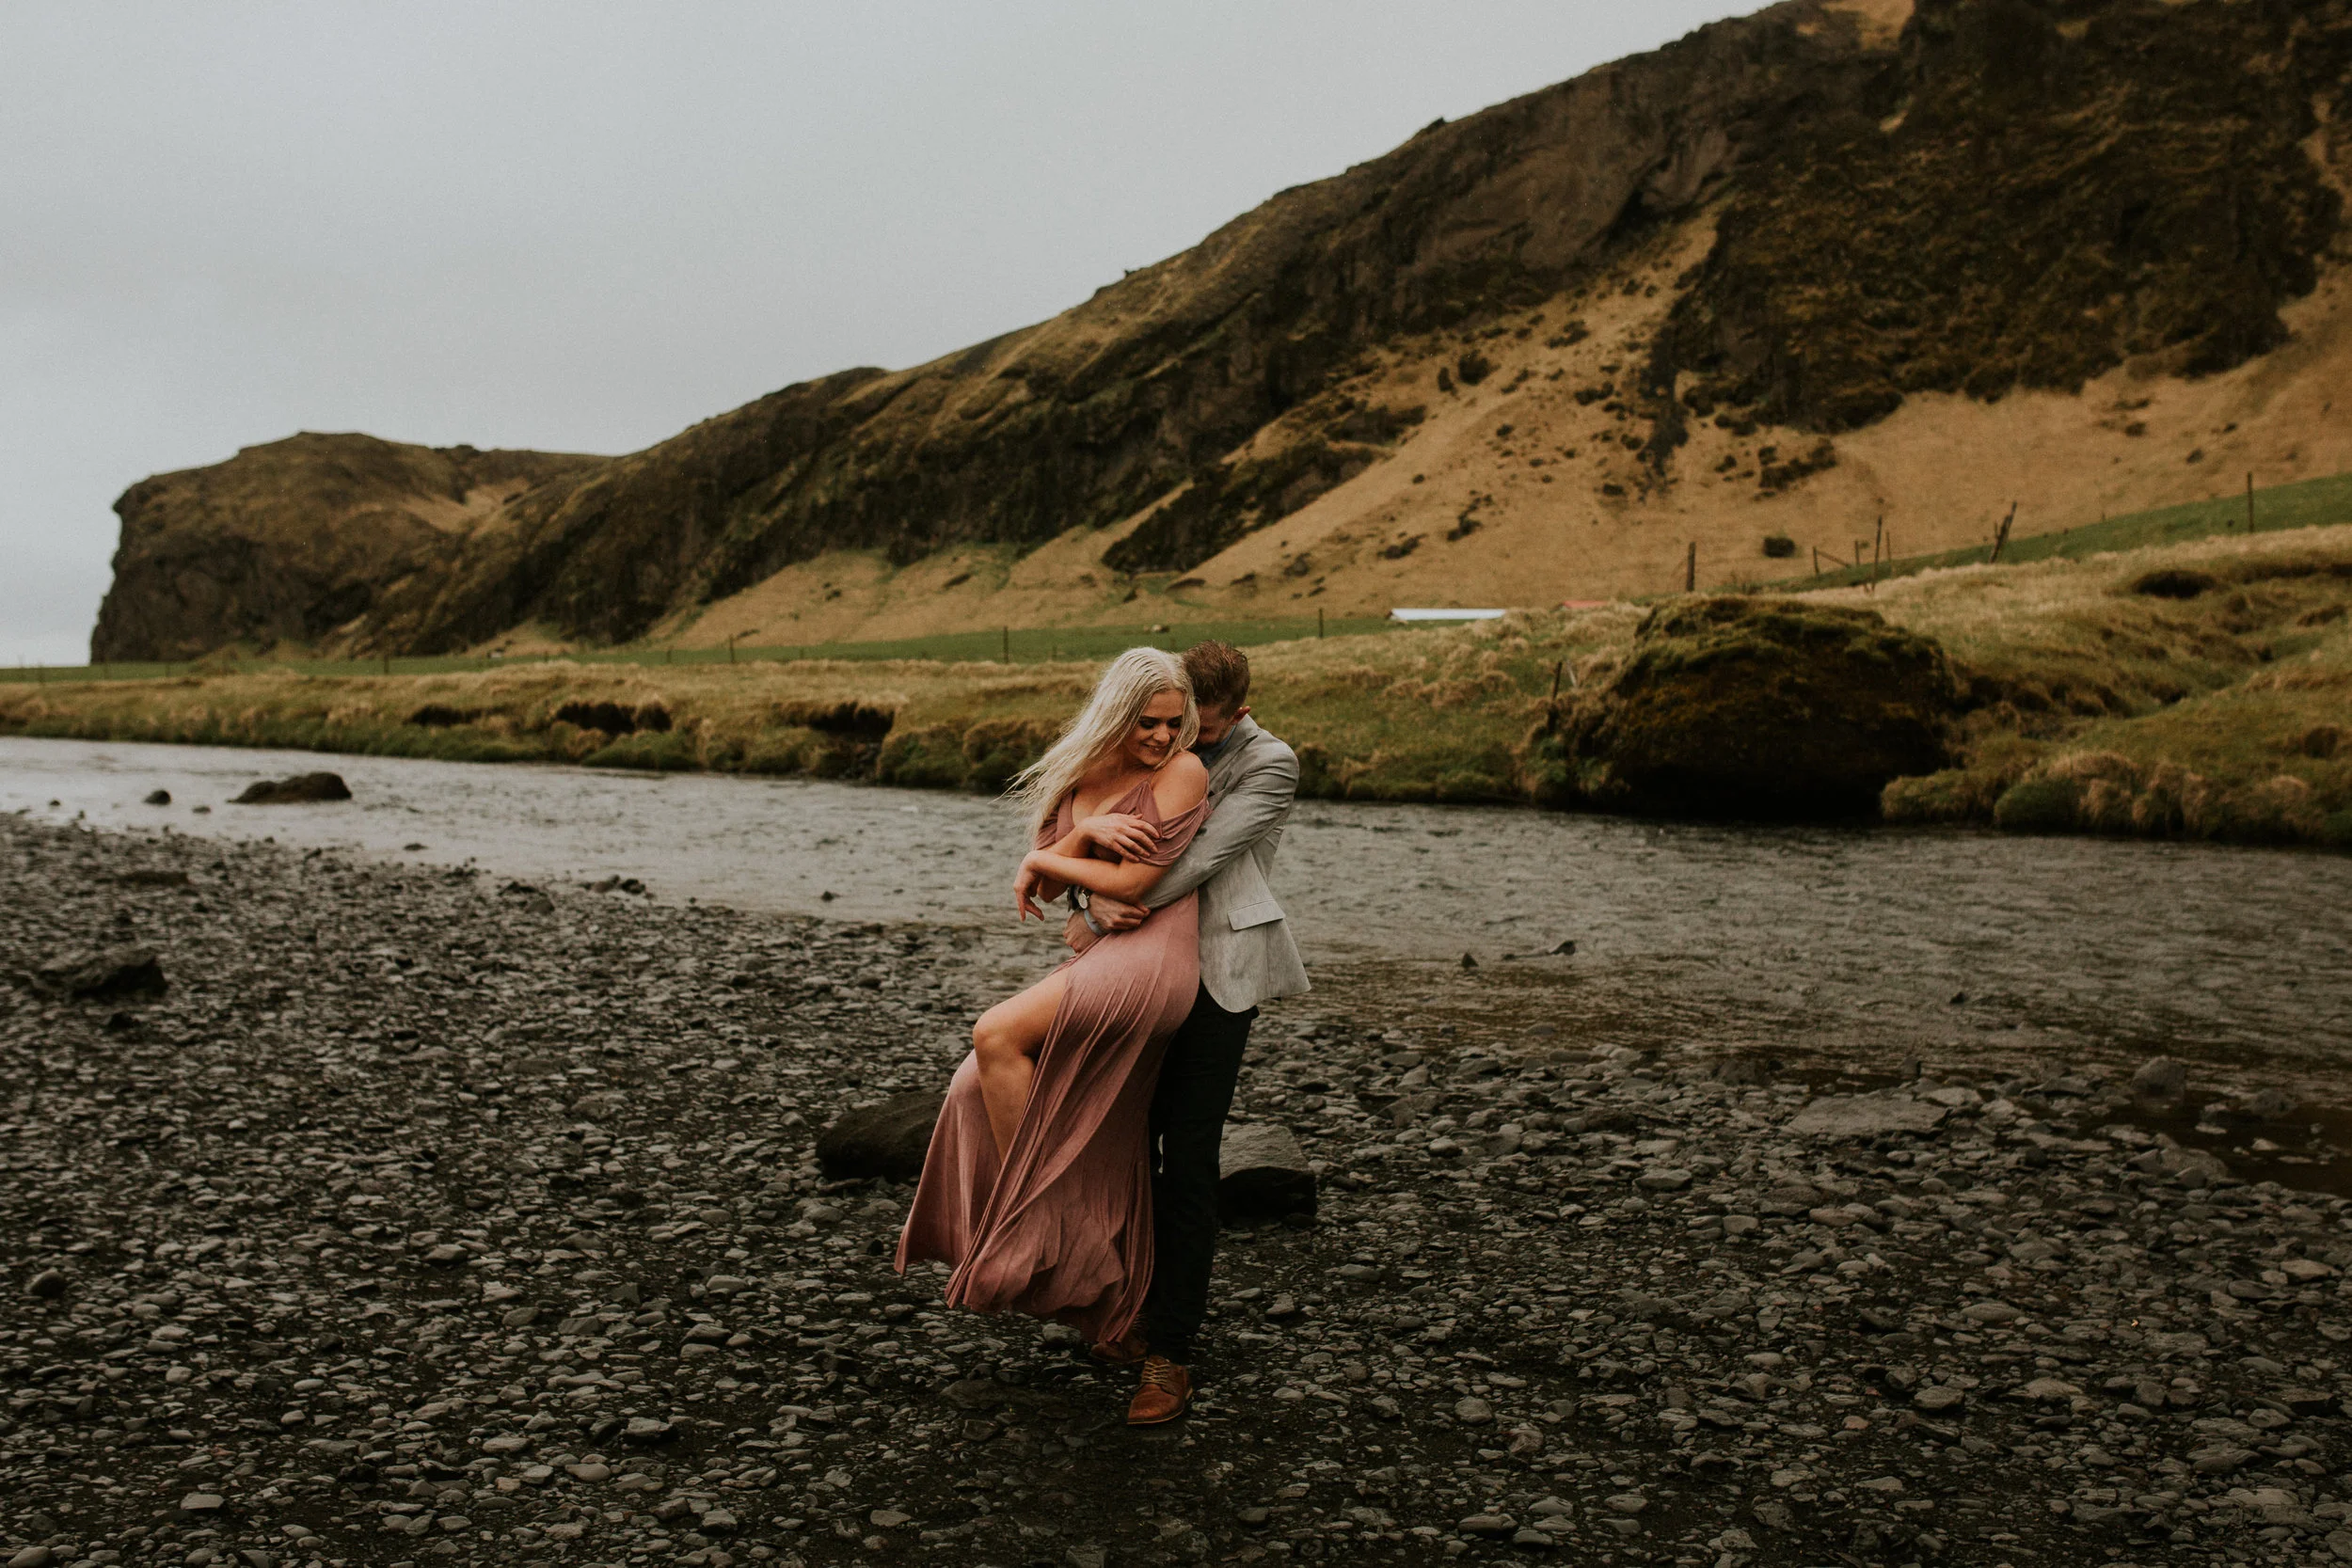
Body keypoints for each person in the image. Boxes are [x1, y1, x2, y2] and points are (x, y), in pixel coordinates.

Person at [895, 648, 1212, 1354]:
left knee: (996, 1033)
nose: (1162, 737)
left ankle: (1036, 1229)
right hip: (1107, 952)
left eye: (1173, 721)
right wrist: (1079, 838)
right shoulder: (1078, 774)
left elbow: (1130, 885)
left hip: (1155, 958)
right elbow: (1045, 897)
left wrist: (1043, 859)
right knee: (975, 1083)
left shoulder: (1183, 771)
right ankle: (1108, 1313)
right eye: (1146, 722)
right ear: (1116, 711)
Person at [1073, 641, 1308, 1424]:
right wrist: (1080, 902)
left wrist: (1107, 903)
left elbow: (1201, 857)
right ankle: (1126, 1310)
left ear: (1236, 710)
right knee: (1125, 1136)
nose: (1178, 743)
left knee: (1190, 1153)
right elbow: (1088, 821)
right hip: (1134, 962)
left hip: (1216, 970)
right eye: (1171, 727)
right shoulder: (1149, 734)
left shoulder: (1271, 762)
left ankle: (1170, 1353)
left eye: (1194, 730)